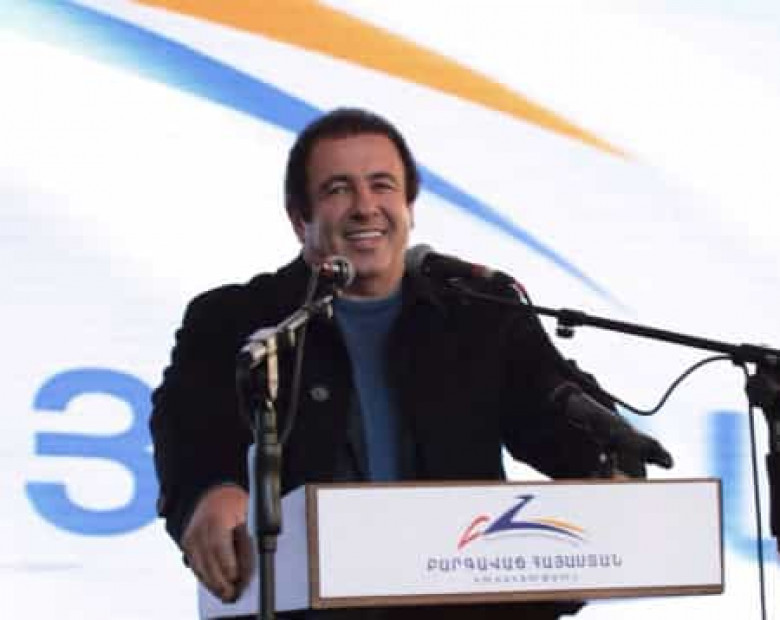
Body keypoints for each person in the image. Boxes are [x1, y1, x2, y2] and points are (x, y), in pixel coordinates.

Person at [150, 108, 669, 619]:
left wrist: (608, 470)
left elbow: (558, 419)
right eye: (338, 189)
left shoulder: (480, 313)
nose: (365, 207)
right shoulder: (237, 318)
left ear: (410, 206)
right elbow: (188, 431)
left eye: (382, 186)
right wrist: (209, 492)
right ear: (299, 218)